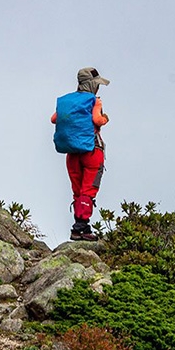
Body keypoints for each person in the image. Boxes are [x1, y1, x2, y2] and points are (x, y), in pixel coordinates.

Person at [51, 67, 110, 241]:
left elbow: (54, 119)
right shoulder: (94, 101)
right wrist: (105, 118)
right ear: (92, 84)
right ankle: (81, 227)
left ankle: (79, 226)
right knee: (88, 189)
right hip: (92, 150)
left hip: (71, 152)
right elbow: (97, 120)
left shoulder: (67, 100)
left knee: (77, 190)